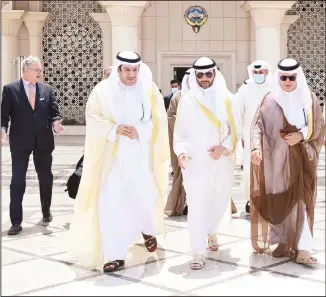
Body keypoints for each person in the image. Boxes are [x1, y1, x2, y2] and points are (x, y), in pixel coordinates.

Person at [68, 51, 169, 272]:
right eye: (127, 70)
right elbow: (93, 117)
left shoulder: (149, 90)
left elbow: (157, 122)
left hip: (140, 158)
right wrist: (114, 129)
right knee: (111, 204)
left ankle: (147, 229)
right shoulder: (102, 91)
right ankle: (114, 256)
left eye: (135, 70)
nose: (131, 75)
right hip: (111, 161)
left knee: (142, 199)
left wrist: (140, 130)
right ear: (119, 69)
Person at [250, 58, 324, 264]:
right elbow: (258, 126)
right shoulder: (269, 99)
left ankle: (303, 249)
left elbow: (318, 125)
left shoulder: (309, 99)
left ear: (298, 77)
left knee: (301, 200)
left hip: (300, 161)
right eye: (284, 77)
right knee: (279, 201)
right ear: (278, 77)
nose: (288, 81)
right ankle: (283, 241)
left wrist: (301, 135)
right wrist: (256, 148)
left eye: (292, 77)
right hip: (275, 162)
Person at [174, 57, 239, 269]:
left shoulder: (228, 98)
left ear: (215, 73)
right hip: (195, 162)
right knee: (196, 205)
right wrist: (181, 152)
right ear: (194, 75)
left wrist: (224, 148)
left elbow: (235, 130)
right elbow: (180, 132)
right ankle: (197, 252)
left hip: (221, 161)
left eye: (208, 74)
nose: (204, 78)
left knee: (219, 201)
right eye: (199, 74)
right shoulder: (187, 99)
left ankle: (211, 230)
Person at [1, 56, 63, 235]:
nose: (40, 73)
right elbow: (3, 116)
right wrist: (2, 129)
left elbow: (54, 112)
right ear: (26, 70)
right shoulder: (10, 89)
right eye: (37, 70)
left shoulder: (47, 89)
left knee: (46, 179)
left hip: (43, 141)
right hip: (20, 142)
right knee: (17, 181)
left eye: (40, 70)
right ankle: (16, 222)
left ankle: (46, 211)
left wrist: (56, 123)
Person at [234, 60, 272, 214]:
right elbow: (237, 113)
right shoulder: (245, 89)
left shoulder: (274, 88)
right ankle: (252, 199)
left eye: (261, 72)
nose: (258, 75)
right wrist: (240, 136)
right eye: (255, 73)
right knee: (251, 170)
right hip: (250, 138)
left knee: (271, 169)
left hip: (271, 137)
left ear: (267, 72)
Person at [165, 69, 192, 216]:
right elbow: (171, 118)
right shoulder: (177, 97)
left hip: (199, 144)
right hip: (180, 143)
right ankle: (180, 204)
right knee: (181, 173)